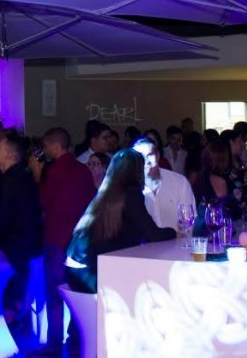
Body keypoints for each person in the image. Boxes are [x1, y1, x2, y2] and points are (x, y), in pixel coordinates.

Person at [65, 149, 176, 294]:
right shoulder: (131, 194)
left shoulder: (104, 193)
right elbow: (153, 234)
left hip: (74, 274)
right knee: (149, 285)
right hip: (92, 277)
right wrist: (175, 232)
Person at [33, 127, 96, 356]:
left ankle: (54, 344)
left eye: (46, 145)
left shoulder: (55, 170)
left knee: (54, 294)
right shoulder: (83, 170)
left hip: (56, 239)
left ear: (54, 145)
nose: (45, 150)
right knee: (75, 292)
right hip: (79, 242)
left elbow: (43, 201)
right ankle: (76, 336)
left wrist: (37, 176)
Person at [0, 130, 42, 331]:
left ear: (11, 154)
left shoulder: (12, 179)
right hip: (24, 242)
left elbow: (4, 216)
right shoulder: (18, 176)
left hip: (16, 244)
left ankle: (12, 319)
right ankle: (16, 317)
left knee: (10, 283)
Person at [132, 138, 195, 231]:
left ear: (158, 155)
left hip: (178, 239)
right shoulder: (130, 188)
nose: (146, 161)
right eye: (140, 157)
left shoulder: (179, 182)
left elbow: (188, 221)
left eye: (149, 155)